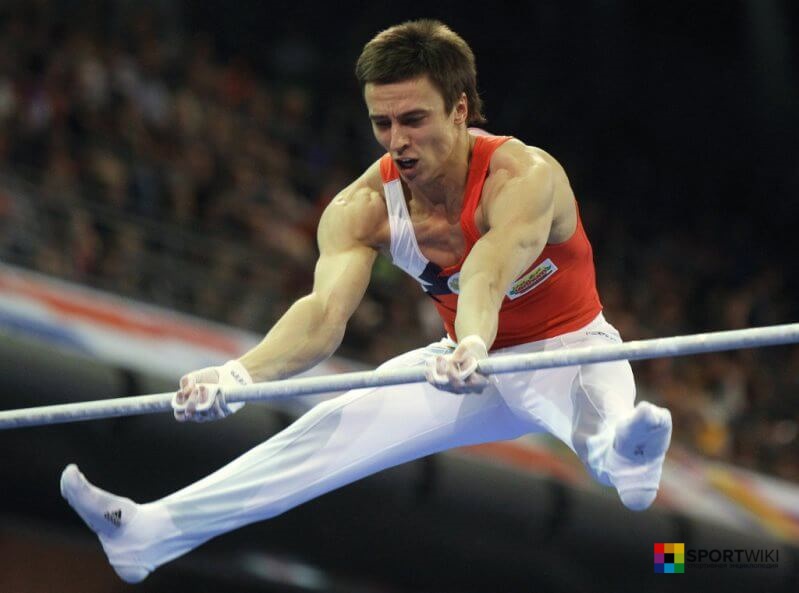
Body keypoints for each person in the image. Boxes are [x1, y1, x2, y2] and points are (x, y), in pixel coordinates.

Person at [60, 19, 672, 583]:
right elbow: (323, 315)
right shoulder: (364, 208)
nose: (398, 142)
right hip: (465, 364)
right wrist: (238, 375)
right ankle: (149, 534)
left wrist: (473, 341)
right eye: (383, 123)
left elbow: (485, 273)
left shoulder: (524, 177)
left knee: (605, 433)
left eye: (414, 120)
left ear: (460, 109)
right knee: (327, 433)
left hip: (566, 349)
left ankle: (625, 454)